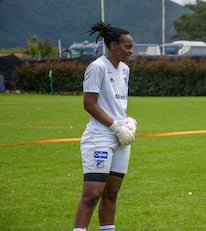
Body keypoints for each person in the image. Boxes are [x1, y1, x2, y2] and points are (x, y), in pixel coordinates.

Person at [73, 22, 137, 231]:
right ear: (112, 45)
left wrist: (127, 122)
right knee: (92, 194)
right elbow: (89, 104)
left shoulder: (125, 70)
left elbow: (118, 105)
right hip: (100, 137)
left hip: (121, 138)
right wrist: (115, 127)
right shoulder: (97, 67)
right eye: (127, 46)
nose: (131, 50)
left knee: (112, 192)